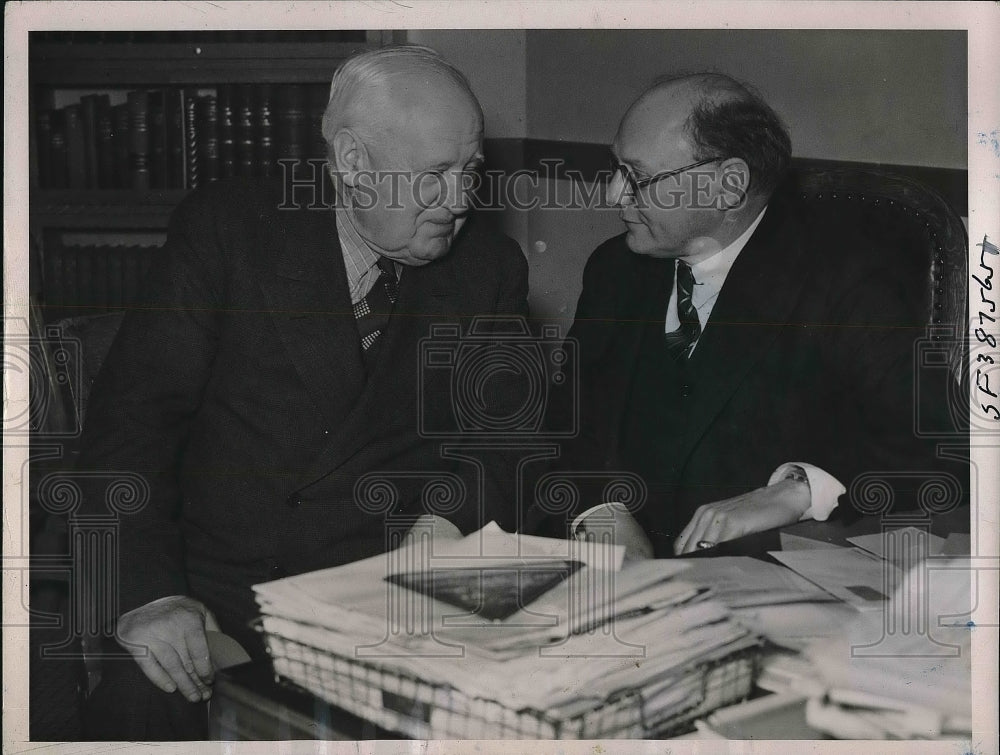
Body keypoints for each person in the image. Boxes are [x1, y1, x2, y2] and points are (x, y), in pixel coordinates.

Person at [77, 45, 528, 739]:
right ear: (352, 161)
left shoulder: (489, 268)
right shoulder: (231, 230)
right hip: (215, 598)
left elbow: (502, 440)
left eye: (471, 172)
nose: (461, 201)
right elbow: (132, 424)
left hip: (384, 605)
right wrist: (150, 594)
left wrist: (446, 523)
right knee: (135, 712)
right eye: (435, 175)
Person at [534, 72, 961, 558]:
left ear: (729, 185)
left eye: (639, 177)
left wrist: (797, 489)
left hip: (771, 588)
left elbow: (940, 454)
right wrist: (599, 513)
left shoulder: (848, 280)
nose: (613, 195)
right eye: (615, 169)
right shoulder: (615, 270)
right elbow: (564, 427)